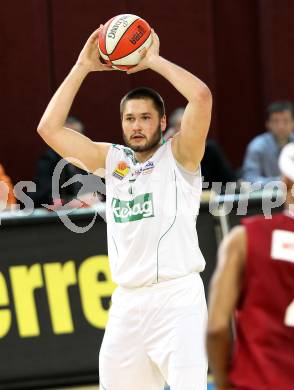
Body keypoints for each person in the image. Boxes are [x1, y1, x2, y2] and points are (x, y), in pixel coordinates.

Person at [37, 25, 212, 390]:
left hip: (178, 299)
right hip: (127, 304)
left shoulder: (180, 155)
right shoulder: (111, 160)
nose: (136, 126)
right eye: (130, 119)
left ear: (163, 123)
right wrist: (82, 66)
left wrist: (153, 60)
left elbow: (201, 96)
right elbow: (49, 128)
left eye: (146, 118)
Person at [206, 143, 294, 389]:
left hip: (258, 380)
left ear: (284, 182)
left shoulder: (245, 238)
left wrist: (223, 383)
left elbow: (217, 328)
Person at [31, 116, 104, 208]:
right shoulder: (49, 159)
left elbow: (101, 192)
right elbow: (45, 198)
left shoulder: (89, 159)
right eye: (67, 136)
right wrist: (77, 203)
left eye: (77, 136)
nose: (72, 141)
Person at [242, 100, 294, 185]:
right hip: (268, 196)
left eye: (285, 121)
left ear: (293, 123)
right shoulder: (257, 146)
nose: (281, 126)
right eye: (276, 121)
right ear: (268, 124)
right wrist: (280, 181)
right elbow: (249, 179)